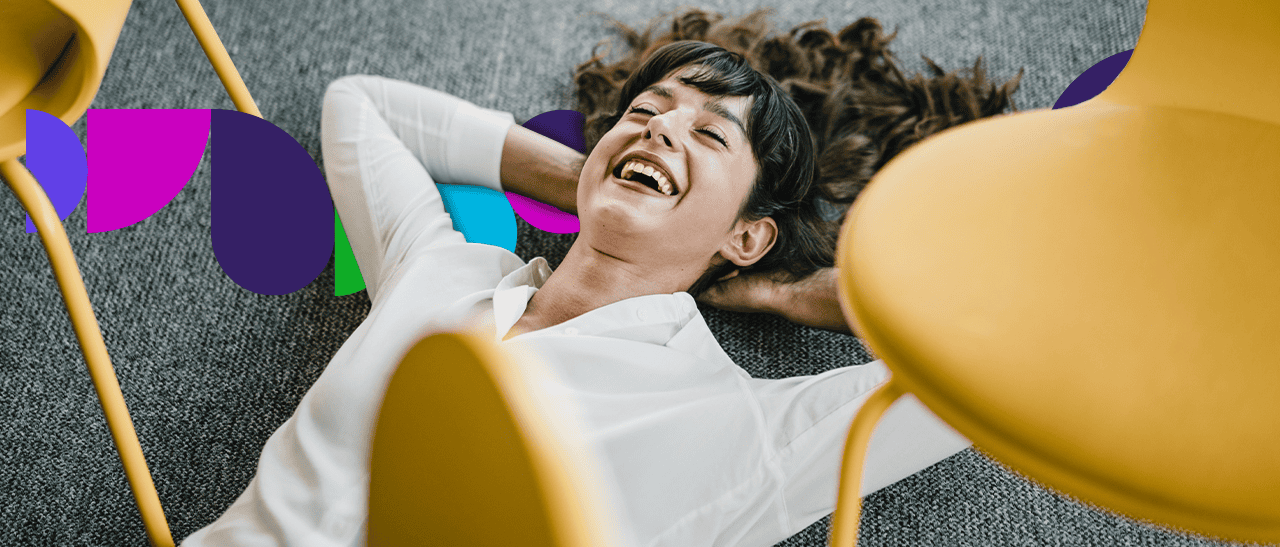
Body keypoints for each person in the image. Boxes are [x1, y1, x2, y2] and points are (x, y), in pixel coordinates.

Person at [181, 41, 969, 547]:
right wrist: (596, 174)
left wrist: (797, 295)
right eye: (648, 112)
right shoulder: (444, 269)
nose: (662, 129)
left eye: (710, 134)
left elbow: (985, 371)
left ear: (747, 235)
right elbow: (361, 105)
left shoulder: (743, 429)